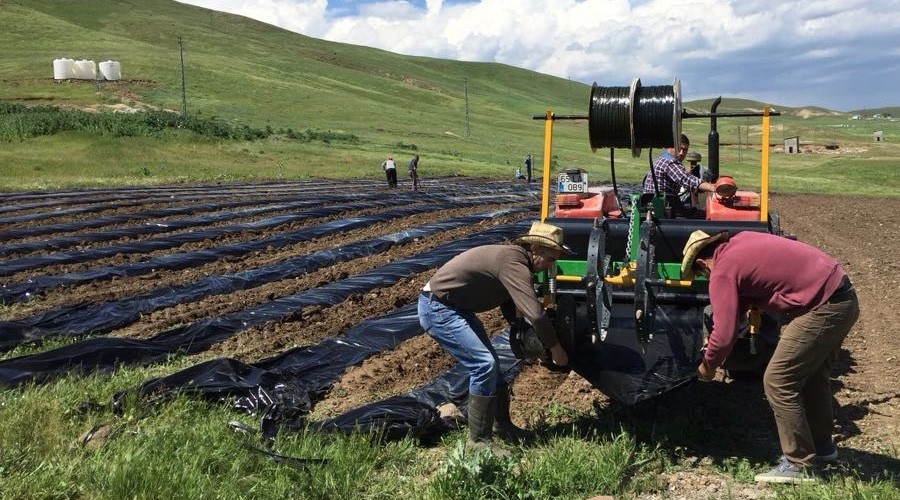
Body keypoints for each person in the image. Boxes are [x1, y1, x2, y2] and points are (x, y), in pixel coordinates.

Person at [681, 230, 859, 484]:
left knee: (778, 380)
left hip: (824, 307)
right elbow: (741, 308)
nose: (705, 277)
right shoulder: (741, 242)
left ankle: (799, 464)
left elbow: (725, 334)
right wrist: (720, 333)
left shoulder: (722, 269)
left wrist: (708, 366)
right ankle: (822, 448)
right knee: (812, 376)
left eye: (701, 273)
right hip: (844, 298)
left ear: (701, 262)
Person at [418, 221, 571, 452]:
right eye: (550, 259)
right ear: (536, 250)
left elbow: (512, 308)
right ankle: (478, 442)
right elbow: (536, 315)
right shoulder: (514, 263)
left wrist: (529, 340)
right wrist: (555, 348)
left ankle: (502, 426)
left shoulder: (515, 261)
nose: (551, 265)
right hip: (438, 308)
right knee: (484, 364)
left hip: (456, 308)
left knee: (493, 366)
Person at [643, 135, 715, 214]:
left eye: (685, 150)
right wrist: (712, 187)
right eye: (679, 149)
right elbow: (687, 180)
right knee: (703, 215)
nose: (681, 153)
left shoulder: (662, 158)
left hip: (657, 204)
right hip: (661, 208)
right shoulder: (669, 163)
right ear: (670, 147)